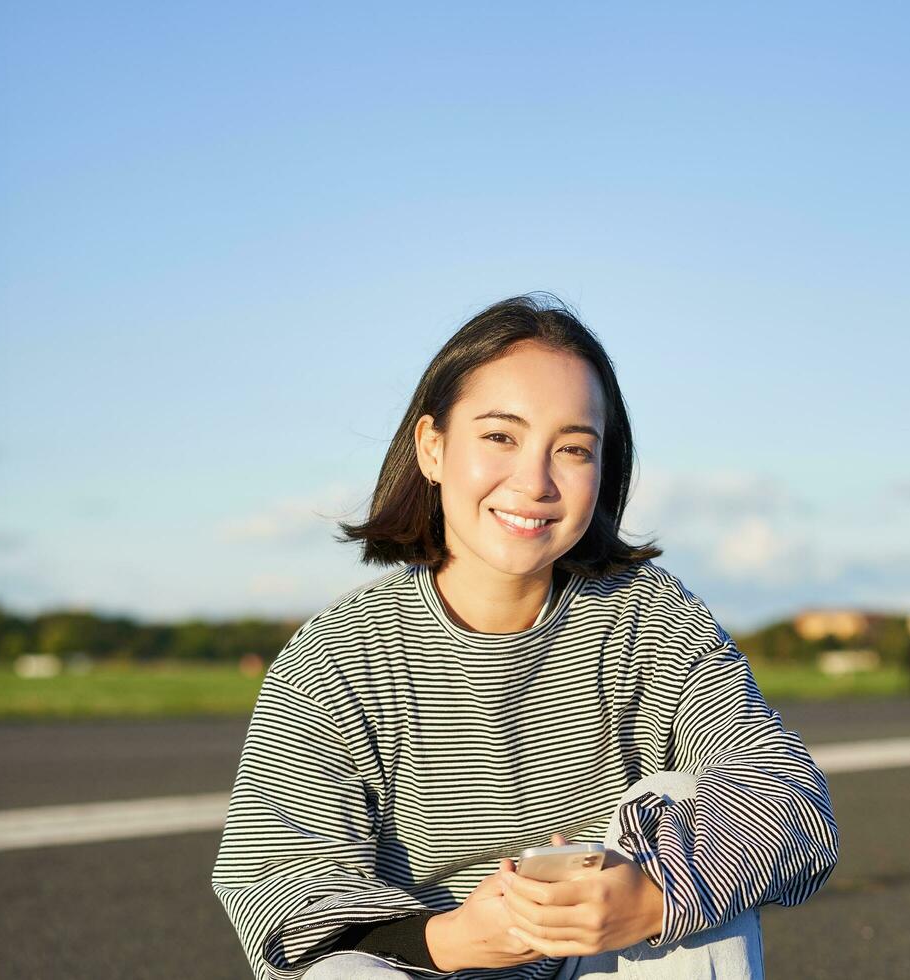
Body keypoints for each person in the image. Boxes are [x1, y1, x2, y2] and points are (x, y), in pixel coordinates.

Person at [211, 295, 839, 980]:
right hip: (425, 969)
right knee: (339, 976)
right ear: (432, 447)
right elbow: (278, 893)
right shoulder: (334, 656)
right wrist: (456, 939)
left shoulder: (653, 619)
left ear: (603, 471)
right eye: (500, 437)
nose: (535, 482)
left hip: (605, 963)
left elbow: (791, 800)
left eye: (572, 449)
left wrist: (653, 898)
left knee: (689, 828)